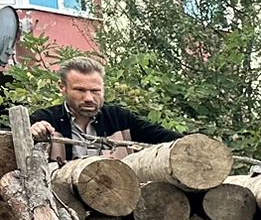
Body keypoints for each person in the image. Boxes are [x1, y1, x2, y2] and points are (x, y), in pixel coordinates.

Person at [29, 59, 177, 162]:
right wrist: (32, 132)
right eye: (80, 90)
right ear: (62, 88)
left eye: (95, 91)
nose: (88, 98)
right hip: (61, 202)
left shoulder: (120, 119)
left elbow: (164, 137)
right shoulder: (45, 119)